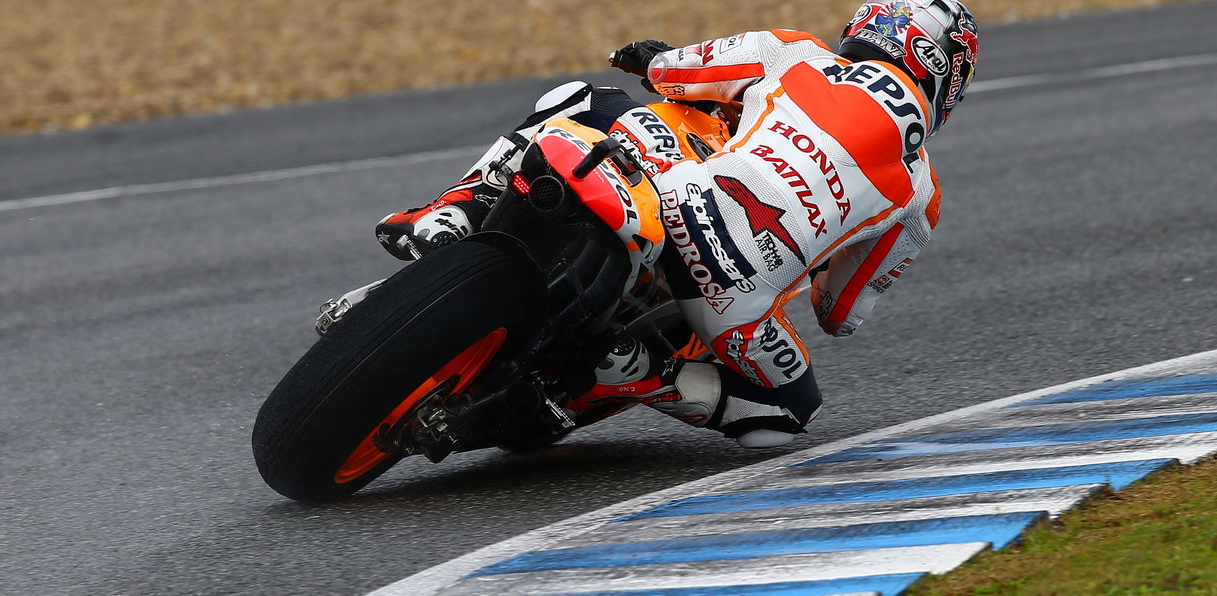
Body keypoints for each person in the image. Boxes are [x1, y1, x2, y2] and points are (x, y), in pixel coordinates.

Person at [374, 1, 979, 449]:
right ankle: (637, 373)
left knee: (583, 100)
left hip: (670, 204)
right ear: (947, 80)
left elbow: (671, 70)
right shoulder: (921, 195)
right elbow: (840, 315)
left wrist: (648, 57)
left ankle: (449, 213)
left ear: (867, 24)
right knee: (789, 413)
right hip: (728, 298)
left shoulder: (794, 52)